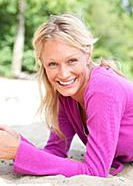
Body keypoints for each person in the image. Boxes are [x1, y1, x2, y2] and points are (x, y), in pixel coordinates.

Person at [0, 13, 133, 178]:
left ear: (88, 54)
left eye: (72, 61)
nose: (63, 74)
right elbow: (55, 152)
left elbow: (95, 171)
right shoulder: (66, 94)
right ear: (43, 64)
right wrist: (18, 143)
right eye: (53, 64)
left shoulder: (103, 89)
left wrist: (17, 150)